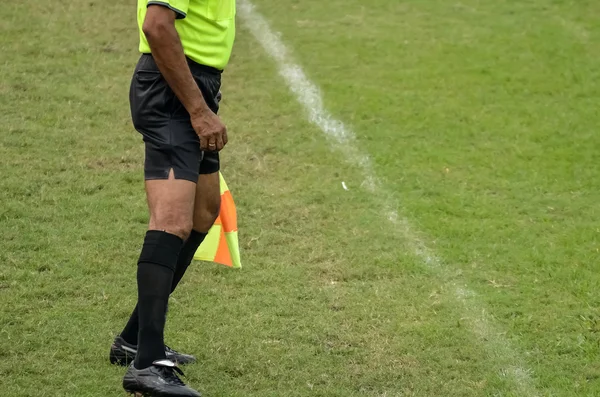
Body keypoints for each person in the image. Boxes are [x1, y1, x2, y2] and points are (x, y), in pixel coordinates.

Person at [109, 0, 236, 395]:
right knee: (171, 221)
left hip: (197, 85)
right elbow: (157, 26)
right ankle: (147, 365)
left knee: (203, 214)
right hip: (173, 92)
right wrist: (198, 110)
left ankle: (133, 338)